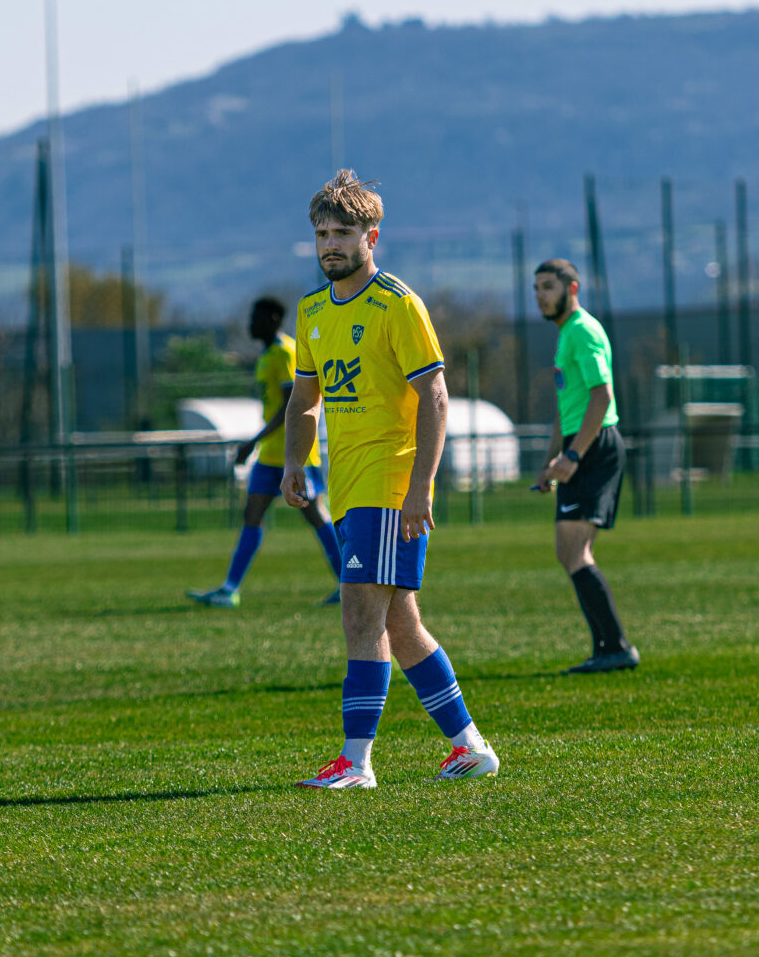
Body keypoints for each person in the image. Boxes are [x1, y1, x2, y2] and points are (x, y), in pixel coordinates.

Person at [281, 170, 499, 788]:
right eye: (322, 234)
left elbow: (435, 394)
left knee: (360, 616)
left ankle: (356, 762)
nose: (330, 245)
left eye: (342, 234)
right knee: (400, 624)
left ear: (370, 237)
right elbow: (305, 399)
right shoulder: (312, 310)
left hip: (388, 483)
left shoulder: (397, 304)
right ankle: (470, 747)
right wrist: (295, 462)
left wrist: (420, 487)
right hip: (349, 487)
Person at [187, 296, 342, 608]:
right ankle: (229, 589)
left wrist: (252, 441)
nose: (250, 324)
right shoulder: (266, 354)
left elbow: (291, 405)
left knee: (316, 515)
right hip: (271, 454)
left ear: (272, 319)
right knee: (252, 515)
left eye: (255, 318)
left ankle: (350, 584)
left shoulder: (285, 352)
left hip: (296, 453)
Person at [532, 258, 640, 673]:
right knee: (571, 550)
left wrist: (574, 455)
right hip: (582, 445)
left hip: (594, 446)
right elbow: (567, 410)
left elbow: (602, 397)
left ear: (572, 288)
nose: (541, 295)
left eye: (548, 287)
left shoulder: (582, 330)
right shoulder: (567, 335)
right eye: (537, 288)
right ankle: (607, 649)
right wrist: (552, 461)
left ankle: (615, 648)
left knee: (573, 549)